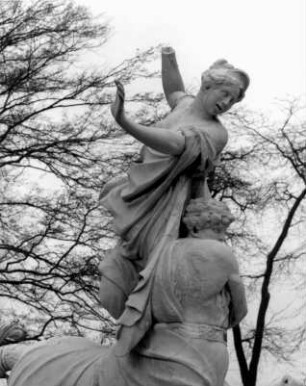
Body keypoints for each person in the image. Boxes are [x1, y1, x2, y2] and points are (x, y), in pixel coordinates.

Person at [0, 198, 247, 386]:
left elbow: (121, 295)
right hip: (206, 348)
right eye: (219, 231)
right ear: (203, 226)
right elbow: (240, 309)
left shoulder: (163, 252)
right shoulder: (222, 253)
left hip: (157, 342)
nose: (222, 237)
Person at [99, 46, 250, 319]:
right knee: (116, 282)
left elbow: (175, 144)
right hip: (147, 192)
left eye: (233, 100)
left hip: (173, 207)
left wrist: (125, 121)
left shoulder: (216, 132)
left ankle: (154, 327)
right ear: (206, 86)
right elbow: (174, 91)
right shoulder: (184, 104)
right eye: (224, 93)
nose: (227, 103)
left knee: (155, 270)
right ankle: (133, 332)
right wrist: (168, 55)